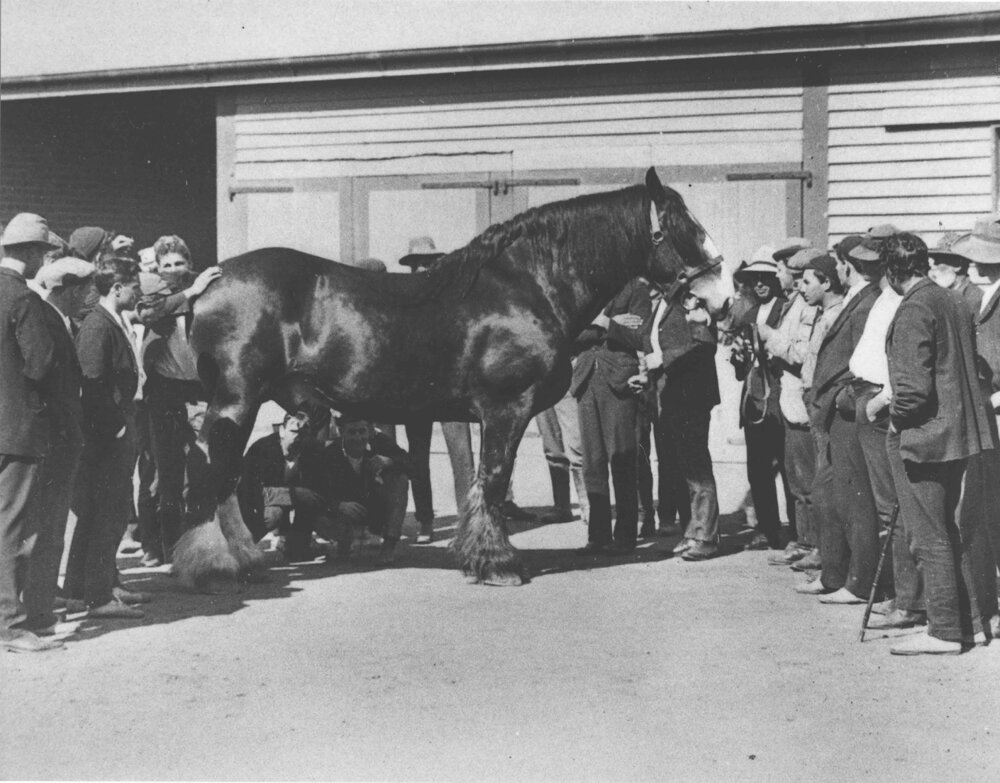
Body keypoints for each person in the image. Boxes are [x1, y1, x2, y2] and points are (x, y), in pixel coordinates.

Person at [882, 232, 995, 655]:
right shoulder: (953, 300)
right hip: (965, 435)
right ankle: (975, 625)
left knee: (931, 534)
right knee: (958, 530)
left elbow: (911, 391)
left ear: (892, 271)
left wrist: (894, 420)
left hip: (927, 438)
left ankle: (945, 630)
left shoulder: (913, 308)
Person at [399, 236, 530, 542]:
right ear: (411, 268)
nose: (425, 268)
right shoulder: (404, 300)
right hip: (415, 391)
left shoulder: (454, 297)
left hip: (451, 390)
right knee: (417, 458)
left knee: (463, 457)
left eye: (430, 262)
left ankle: (467, 522)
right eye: (419, 264)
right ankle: (426, 520)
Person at [797, 234, 880, 597]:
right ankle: (834, 574)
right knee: (826, 493)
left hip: (847, 413)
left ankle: (859, 582)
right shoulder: (856, 300)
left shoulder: (868, 302)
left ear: (848, 265)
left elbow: (863, 365)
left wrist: (843, 399)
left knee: (854, 501)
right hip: (833, 414)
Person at [17, 258, 95, 638]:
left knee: (52, 529)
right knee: (42, 529)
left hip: (62, 439)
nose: (86, 297)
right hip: (52, 440)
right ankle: (34, 611)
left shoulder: (60, 320)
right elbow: (43, 378)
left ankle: (42, 607)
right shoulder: (43, 318)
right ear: (63, 288)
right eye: (81, 290)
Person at [64, 256, 145, 620]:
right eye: (134, 286)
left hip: (113, 429)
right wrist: (117, 426)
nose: (139, 292)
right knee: (108, 513)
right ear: (117, 288)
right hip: (107, 435)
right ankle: (98, 596)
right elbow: (91, 382)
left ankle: (85, 588)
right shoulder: (99, 325)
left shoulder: (110, 321)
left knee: (100, 512)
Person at [0, 214, 63, 652]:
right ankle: (9, 624)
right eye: (43, 252)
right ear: (31, 253)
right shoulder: (22, 298)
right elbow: (41, 363)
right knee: (10, 526)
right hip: (19, 430)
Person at [140, 235, 221, 562]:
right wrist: (191, 291)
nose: (173, 270)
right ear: (158, 268)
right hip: (164, 392)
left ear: (189, 263)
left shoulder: (206, 287)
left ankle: (198, 540)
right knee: (164, 471)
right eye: (166, 265)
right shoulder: (153, 290)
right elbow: (149, 312)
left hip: (199, 390)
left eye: (179, 263)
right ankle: (162, 545)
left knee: (203, 466)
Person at [572, 277, 652, 555]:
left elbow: (641, 334)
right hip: (585, 379)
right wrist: (613, 324)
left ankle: (626, 535)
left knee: (622, 459)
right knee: (592, 463)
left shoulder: (636, 288)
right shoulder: (585, 287)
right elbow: (572, 333)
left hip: (619, 380)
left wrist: (603, 323)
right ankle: (598, 535)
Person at [643, 284, 721, 560]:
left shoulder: (692, 298)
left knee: (697, 466)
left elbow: (704, 343)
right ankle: (694, 531)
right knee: (686, 466)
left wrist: (662, 359)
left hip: (692, 396)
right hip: (671, 396)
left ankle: (706, 536)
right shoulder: (665, 301)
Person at [760, 242, 819, 565]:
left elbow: (800, 352)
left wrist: (771, 337)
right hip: (788, 401)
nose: (778, 276)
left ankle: (812, 543)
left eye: (781, 270)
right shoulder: (792, 303)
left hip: (799, 401)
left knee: (806, 479)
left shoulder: (806, 309)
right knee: (796, 480)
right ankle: (802, 539)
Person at [729, 250, 791, 550]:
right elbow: (741, 369)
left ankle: (796, 532)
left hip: (779, 399)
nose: (760, 285)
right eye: (754, 280)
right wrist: (739, 357)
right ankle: (768, 530)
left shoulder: (786, 309)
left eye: (765, 279)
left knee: (789, 469)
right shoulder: (748, 315)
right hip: (754, 402)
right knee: (758, 469)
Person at [794, 253, 847, 576]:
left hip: (825, 409)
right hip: (813, 404)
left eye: (807, 281)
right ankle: (826, 559)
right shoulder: (821, 314)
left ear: (826, 282)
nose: (801, 288)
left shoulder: (835, 316)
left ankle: (832, 563)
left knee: (825, 488)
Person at [237, 410, 330, 562]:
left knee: (312, 501)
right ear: (282, 430)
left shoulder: (312, 450)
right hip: (261, 505)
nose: (299, 437)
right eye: (294, 431)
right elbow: (249, 491)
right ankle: (242, 548)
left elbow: (322, 486)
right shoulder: (262, 449)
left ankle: (298, 544)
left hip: (296, 503)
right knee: (274, 514)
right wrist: (292, 494)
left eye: (305, 433)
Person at [321, 414, 412, 564]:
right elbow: (319, 489)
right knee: (322, 518)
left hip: (373, 507)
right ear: (341, 432)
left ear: (369, 431)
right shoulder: (331, 452)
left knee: (400, 480)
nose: (358, 438)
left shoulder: (380, 442)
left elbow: (412, 464)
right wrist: (338, 505)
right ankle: (343, 543)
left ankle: (388, 546)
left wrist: (389, 461)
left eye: (362, 431)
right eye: (352, 432)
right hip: (344, 509)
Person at [928, 232, 982, 315]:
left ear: (958, 265)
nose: (934, 266)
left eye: (938, 261)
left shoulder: (976, 299)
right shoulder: (937, 295)